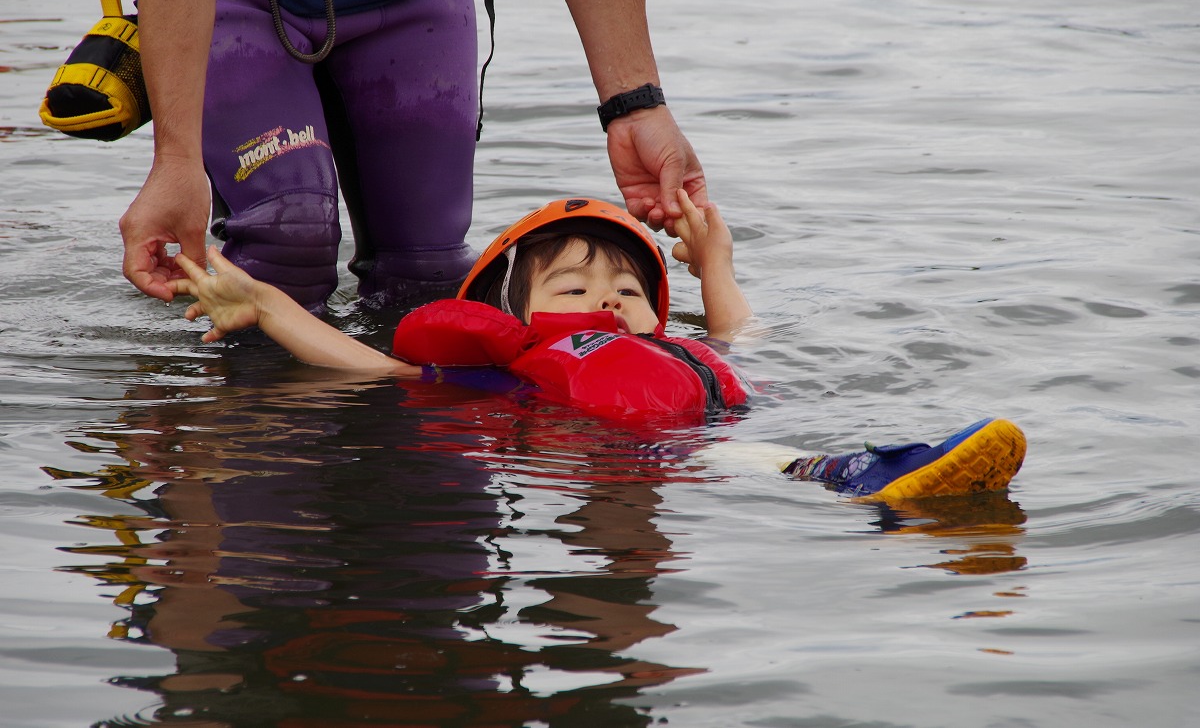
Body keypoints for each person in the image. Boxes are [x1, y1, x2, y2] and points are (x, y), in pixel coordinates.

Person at [169, 191, 1027, 500]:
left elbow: (738, 335)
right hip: (621, 458)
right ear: (518, 312)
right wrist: (270, 305)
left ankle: (885, 476)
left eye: (625, 291)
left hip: (686, 427)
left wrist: (715, 262)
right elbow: (368, 365)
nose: (607, 304)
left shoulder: (673, 347)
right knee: (746, 461)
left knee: (734, 444)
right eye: (573, 292)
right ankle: (858, 477)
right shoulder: (501, 374)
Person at [117, 0, 708, 311]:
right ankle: (264, 467)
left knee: (428, 276)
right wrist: (175, 160)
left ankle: (406, 464)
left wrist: (636, 106)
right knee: (287, 240)